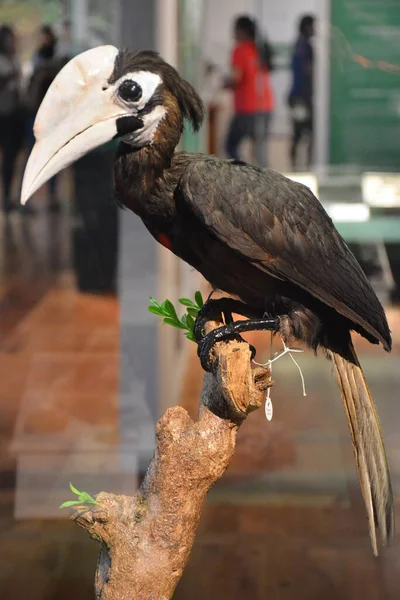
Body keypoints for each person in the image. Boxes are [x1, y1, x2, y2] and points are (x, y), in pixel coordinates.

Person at [225, 15, 274, 168]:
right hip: (265, 107)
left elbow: (236, 78)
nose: (233, 33)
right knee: (260, 152)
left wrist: (223, 84)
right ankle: (268, 186)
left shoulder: (240, 50)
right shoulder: (260, 50)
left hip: (247, 108)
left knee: (230, 146)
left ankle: (245, 177)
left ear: (242, 31)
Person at [25, 25, 64, 212]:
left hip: (52, 113)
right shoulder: (39, 57)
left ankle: (52, 196)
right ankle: (28, 197)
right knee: (33, 156)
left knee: (53, 158)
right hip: (38, 112)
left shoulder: (56, 57)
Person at [0, 25, 24, 215]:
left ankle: (9, 196)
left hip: (15, 113)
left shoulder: (14, 59)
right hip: (4, 115)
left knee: (12, 157)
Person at [288, 14, 315, 170]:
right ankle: (300, 167)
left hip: (299, 96)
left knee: (300, 133)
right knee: (301, 133)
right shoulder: (305, 47)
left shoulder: (298, 45)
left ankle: (297, 167)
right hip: (301, 97)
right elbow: (307, 72)